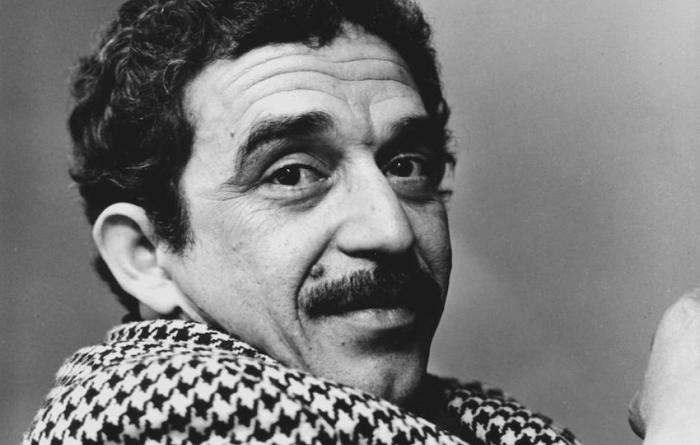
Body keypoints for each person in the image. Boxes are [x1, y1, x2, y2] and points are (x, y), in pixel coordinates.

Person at [21, 0, 689, 444]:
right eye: (292, 174)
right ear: (144, 254)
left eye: (406, 165)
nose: (389, 230)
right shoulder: (154, 415)